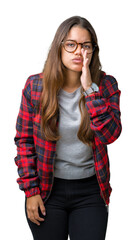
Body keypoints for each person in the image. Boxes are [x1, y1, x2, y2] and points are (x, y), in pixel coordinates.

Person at [14, 16, 122, 240]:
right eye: (71, 44)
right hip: (47, 191)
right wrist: (31, 192)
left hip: (91, 191)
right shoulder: (35, 86)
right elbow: (24, 141)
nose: (78, 52)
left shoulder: (105, 85)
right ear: (59, 47)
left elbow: (110, 134)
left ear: (93, 50)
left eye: (86, 46)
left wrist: (89, 89)